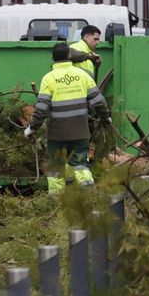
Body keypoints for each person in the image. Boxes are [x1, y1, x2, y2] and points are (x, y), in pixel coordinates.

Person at [27, 41, 110, 192]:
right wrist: (106, 118)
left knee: (56, 169)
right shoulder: (82, 75)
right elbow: (99, 102)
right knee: (80, 165)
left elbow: (42, 108)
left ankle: (56, 203)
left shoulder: (48, 78)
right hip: (80, 131)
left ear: (52, 58)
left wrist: (32, 128)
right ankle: (90, 195)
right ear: (69, 55)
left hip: (57, 134)